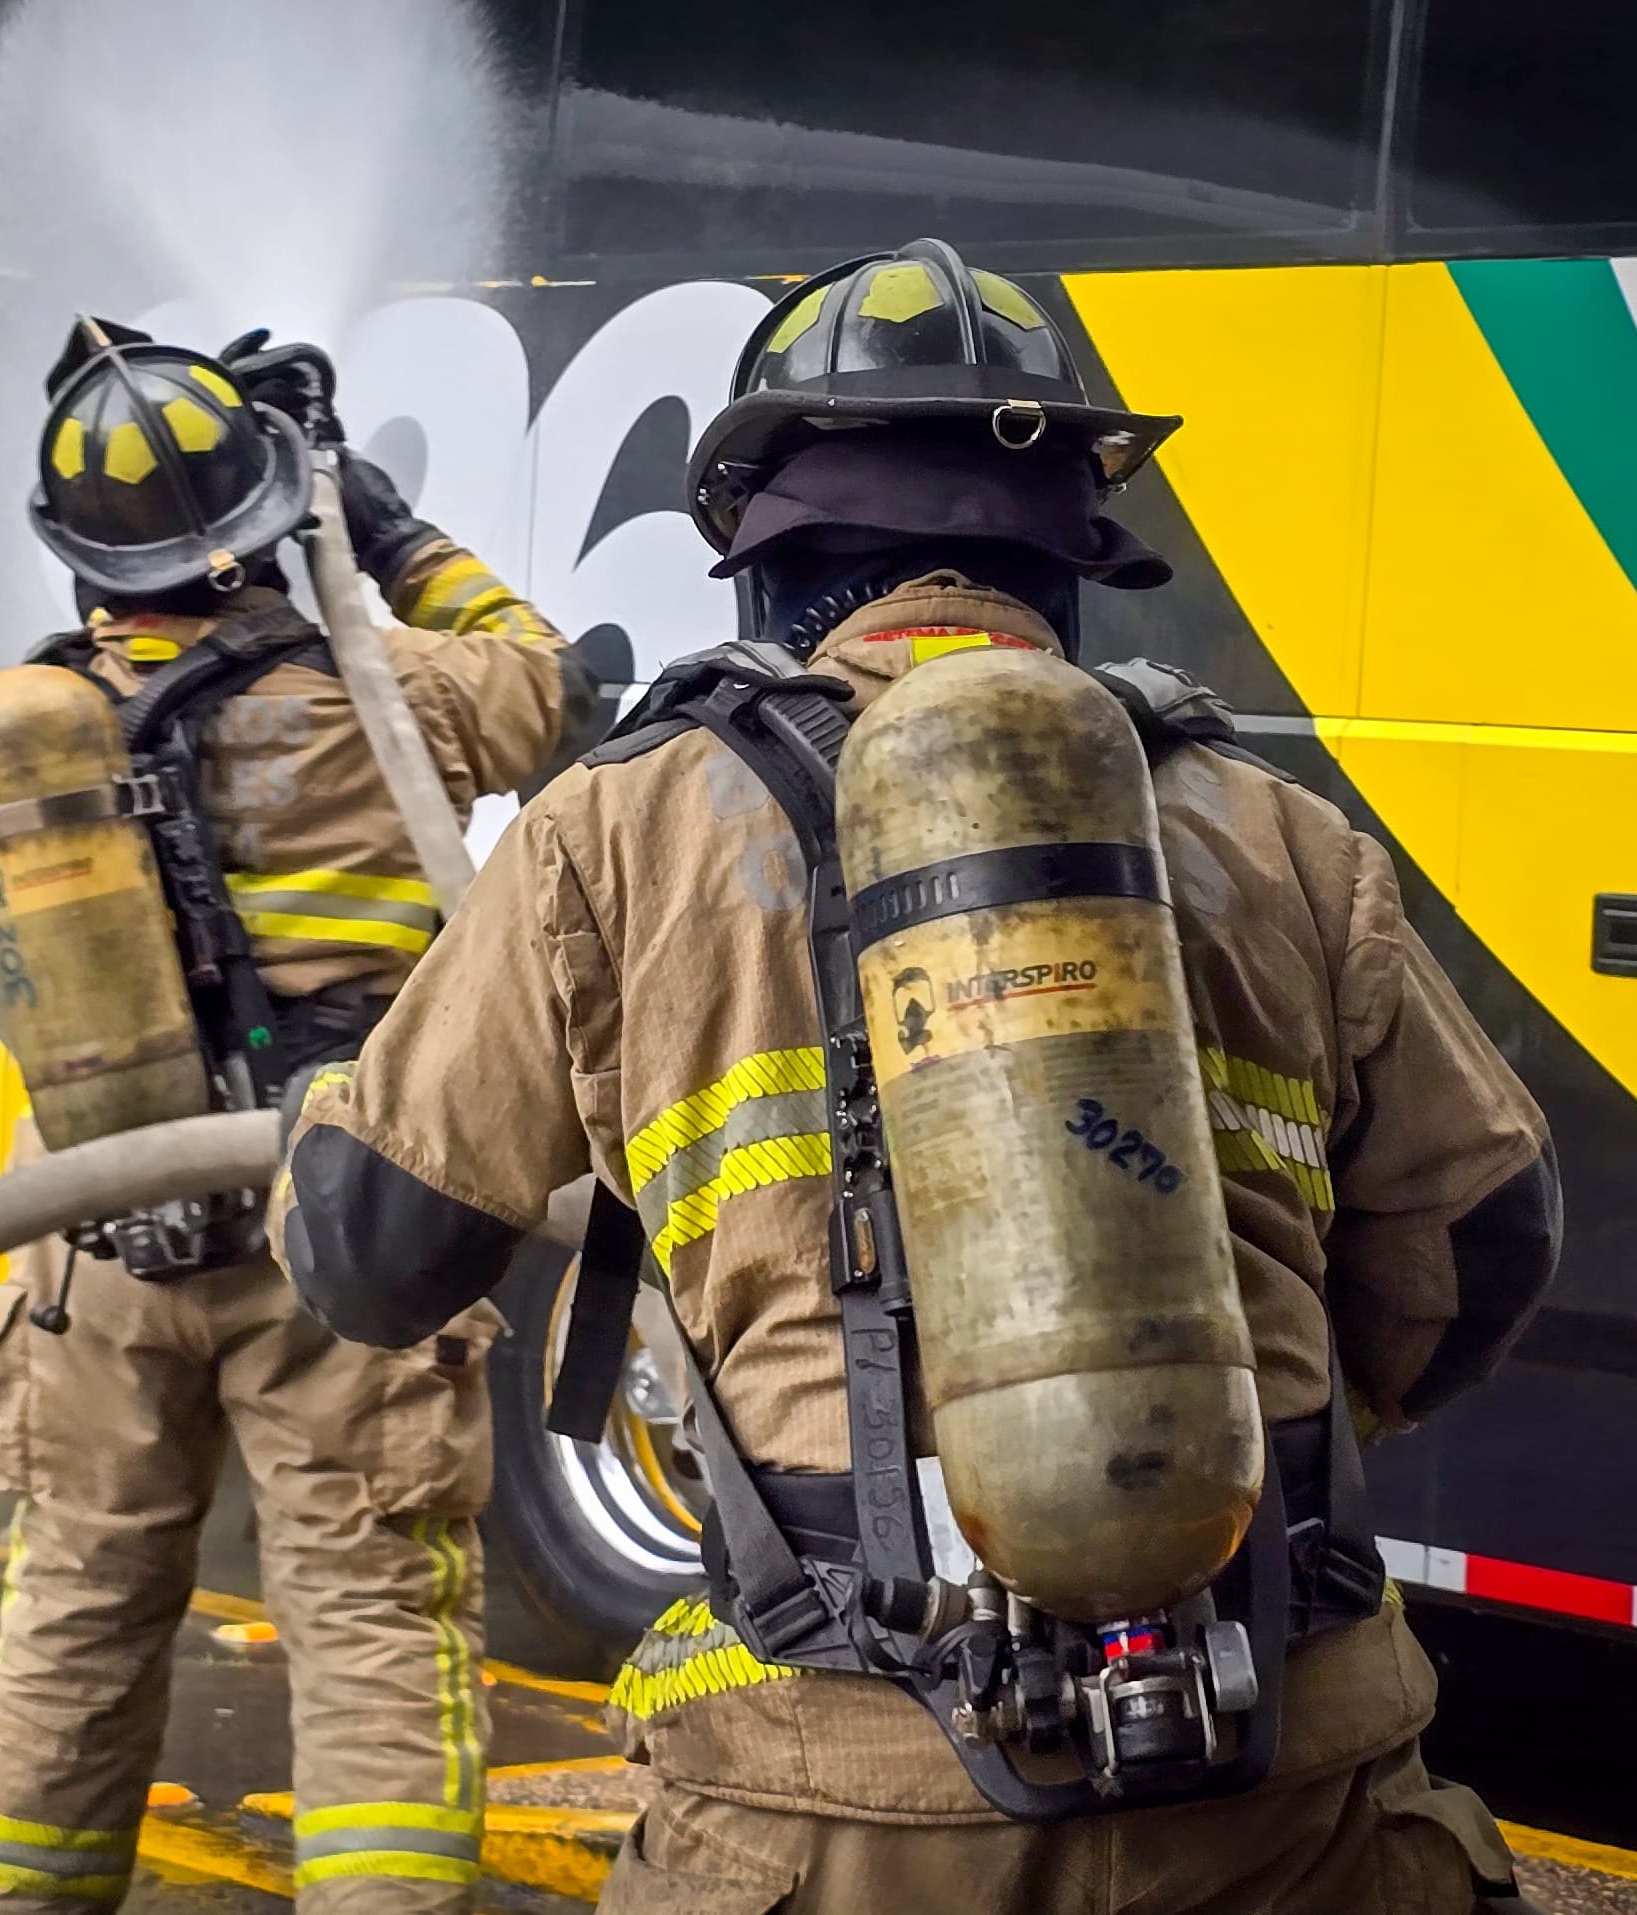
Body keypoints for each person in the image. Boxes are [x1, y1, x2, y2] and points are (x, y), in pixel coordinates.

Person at [268, 241, 1564, 1913]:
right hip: (1286, 1780)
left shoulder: (621, 827)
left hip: (839, 1797)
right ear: (1067, 560)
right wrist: (1241, 1437)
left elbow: (374, 1258)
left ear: (766, 558)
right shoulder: (1287, 838)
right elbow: (1491, 1240)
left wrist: (320, 1113)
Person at [0, 318, 597, 1915]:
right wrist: (374, 521)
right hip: (338, 1230)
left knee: (74, 1620)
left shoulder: (22, 724)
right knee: (372, 1626)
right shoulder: (403, 699)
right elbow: (554, 683)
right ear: (263, 517)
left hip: (92, 1236)